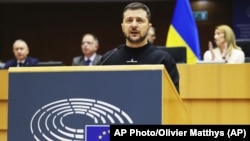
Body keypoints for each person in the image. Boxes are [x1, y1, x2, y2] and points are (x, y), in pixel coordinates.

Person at [99, 2, 180, 93]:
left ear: (149, 27)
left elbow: (173, 101)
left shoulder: (163, 59)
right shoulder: (108, 59)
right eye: (129, 20)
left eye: (139, 20)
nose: (134, 25)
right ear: (122, 26)